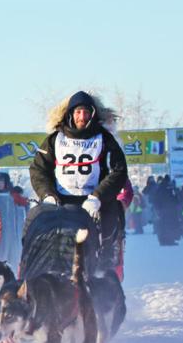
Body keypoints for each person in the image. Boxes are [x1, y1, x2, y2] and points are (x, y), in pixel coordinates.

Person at [30, 90, 128, 270]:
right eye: (77, 112)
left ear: (92, 113)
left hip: (93, 202)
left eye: (85, 112)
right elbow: (38, 169)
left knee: (114, 213)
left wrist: (98, 197)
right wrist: (47, 194)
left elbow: (119, 170)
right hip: (60, 200)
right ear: (70, 114)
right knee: (34, 219)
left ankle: (106, 260)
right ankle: (32, 264)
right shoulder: (54, 140)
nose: (82, 117)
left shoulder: (105, 140)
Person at [0, 172, 26, 271]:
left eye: (1, 182)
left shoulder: (12, 196)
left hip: (12, 233)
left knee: (13, 257)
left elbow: (23, 208)